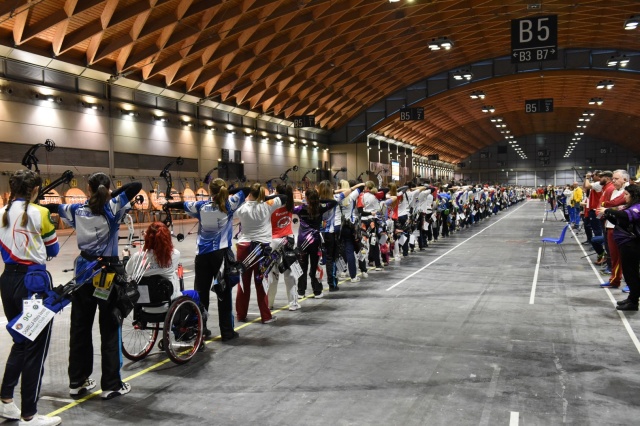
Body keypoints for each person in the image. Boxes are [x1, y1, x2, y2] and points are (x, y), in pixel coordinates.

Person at [54, 173, 141, 400]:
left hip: (84, 270)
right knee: (110, 325)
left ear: (87, 188)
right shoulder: (112, 206)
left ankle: (77, 381)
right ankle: (111, 385)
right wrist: (111, 195)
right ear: (108, 188)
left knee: (80, 326)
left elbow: (54, 207)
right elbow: (136, 186)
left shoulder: (77, 209)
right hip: (107, 271)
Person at [0, 170, 62, 426]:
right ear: (35, 190)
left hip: (8, 281)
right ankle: (29, 415)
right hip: (32, 283)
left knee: (21, 342)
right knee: (35, 348)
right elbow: (54, 249)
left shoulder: (2, 212)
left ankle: (5, 401)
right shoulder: (41, 213)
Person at [165, 178, 247, 341]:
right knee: (223, 294)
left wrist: (169, 205)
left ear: (210, 191)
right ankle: (227, 332)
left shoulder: (201, 206)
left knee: (201, 294)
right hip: (220, 256)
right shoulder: (229, 205)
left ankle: (200, 331)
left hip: (202, 256)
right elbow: (247, 189)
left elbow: (182, 205)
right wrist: (228, 191)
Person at [235, 183, 286, 323]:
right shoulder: (267, 204)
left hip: (244, 247)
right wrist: (264, 198)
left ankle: (240, 314)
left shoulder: (242, 207)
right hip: (261, 248)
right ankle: (266, 316)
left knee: (243, 283)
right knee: (261, 281)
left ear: (249, 194)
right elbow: (284, 197)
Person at [598, 184, 640, 310]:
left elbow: (625, 216)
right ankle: (632, 298)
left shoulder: (637, 207)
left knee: (631, 274)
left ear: (634, 195)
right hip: (625, 244)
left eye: (627, 195)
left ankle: (633, 302)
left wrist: (608, 210)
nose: (625, 197)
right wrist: (609, 216)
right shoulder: (631, 206)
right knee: (629, 273)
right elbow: (621, 221)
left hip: (632, 244)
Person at [294, 189, 338, 298]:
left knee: (302, 267)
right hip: (315, 241)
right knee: (314, 266)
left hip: (303, 241)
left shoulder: (301, 209)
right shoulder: (320, 207)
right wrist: (319, 200)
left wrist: (302, 202)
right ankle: (317, 291)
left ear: (307, 198)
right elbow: (334, 202)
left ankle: (301, 291)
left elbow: (289, 207)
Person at [124, 222, 182, 301]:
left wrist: (126, 256)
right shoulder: (175, 254)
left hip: (144, 305)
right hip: (169, 303)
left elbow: (128, 271)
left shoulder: (138, 256)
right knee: (194, 294)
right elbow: (157, 253)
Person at [266, 183, 299, 311]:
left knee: (272, 273)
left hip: (274, 240)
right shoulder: (290, 203)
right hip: (288, 240)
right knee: (290, 273)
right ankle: (293, 303)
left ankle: (269, 303)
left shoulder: (271, 204)